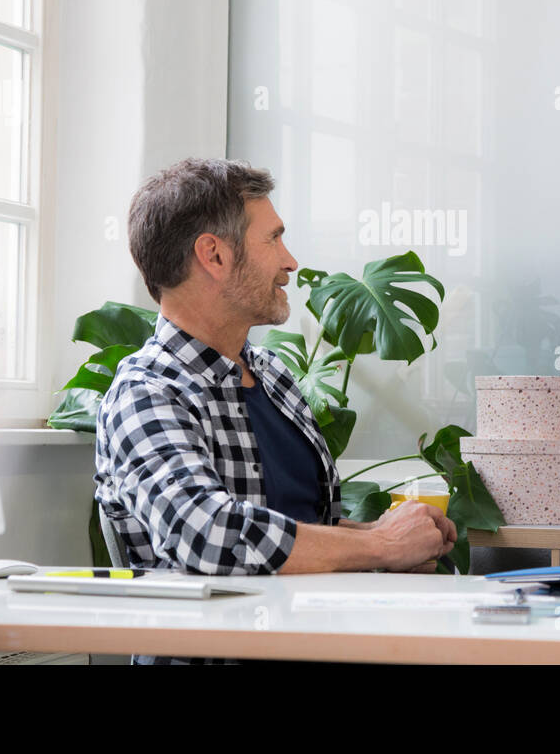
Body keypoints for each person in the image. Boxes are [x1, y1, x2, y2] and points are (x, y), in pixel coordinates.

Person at [95, 157, 456, 664]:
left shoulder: (274, 376)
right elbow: (207, 534)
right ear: (214, 255)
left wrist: (386, 540)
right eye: (273, 239)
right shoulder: (147, 393)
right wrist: (381, 548)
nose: (290, 261)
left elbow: (300, 525)